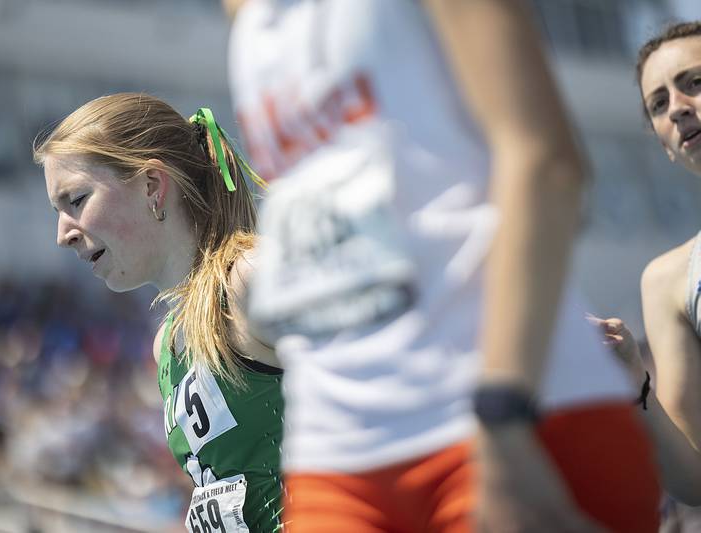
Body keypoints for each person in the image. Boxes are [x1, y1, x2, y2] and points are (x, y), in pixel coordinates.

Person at [225, 0, 661, 531]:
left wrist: (503, 418)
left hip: (506, 417)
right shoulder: (248, 22)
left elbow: (547, 164)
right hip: (334, 449)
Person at [33, 93, 284, 532]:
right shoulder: (166, 346)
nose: (62, 235)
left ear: (151, 184)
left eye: (75, 200)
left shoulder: (249, 279)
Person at [591, 21, 701, 508]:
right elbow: (693, 480)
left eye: (694, 82)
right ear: (662, 143)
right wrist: (634, 379)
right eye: (658, 103)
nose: (677, 107)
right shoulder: (668, 279)